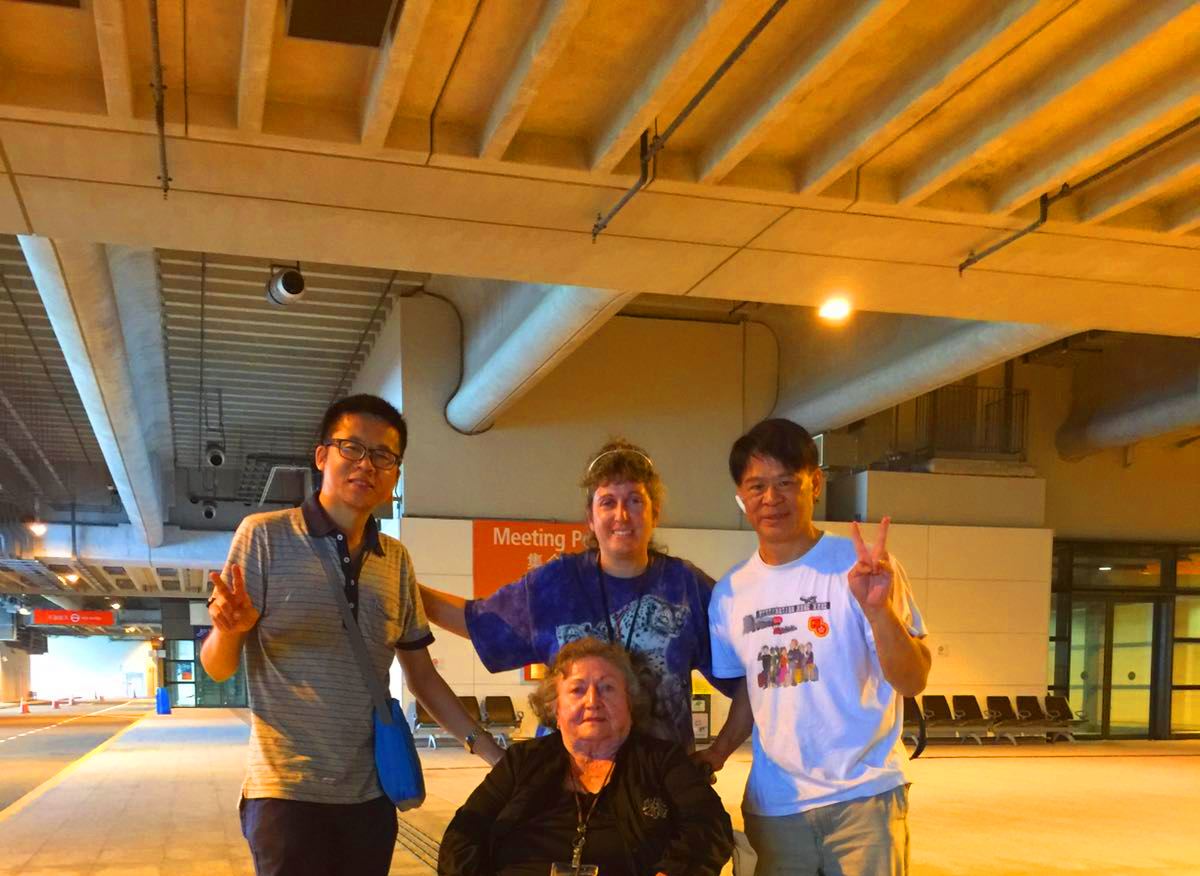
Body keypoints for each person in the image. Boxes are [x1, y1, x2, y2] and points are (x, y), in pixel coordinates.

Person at [200, 393, 505, 876]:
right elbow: (217, 667)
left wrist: (490, 751)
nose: (367, 464)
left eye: (384, 455)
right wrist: (229, 632)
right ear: (322, 456)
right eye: (352, 448)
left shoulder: (396, 561)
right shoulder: (263, 537)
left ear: (396, 475)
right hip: (286, 792)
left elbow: (422, 677)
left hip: (370, 793)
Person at [696, 418, 930, 876]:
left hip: (864, 797)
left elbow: (912, 679)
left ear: (815, 484)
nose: (771, 498)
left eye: (786, 482)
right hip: (776, 806)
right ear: (741, 498)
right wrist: (719, 751)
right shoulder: (730, 593)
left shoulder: (862, 567)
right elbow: (753, 688)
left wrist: (879, 611)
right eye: (757, 485)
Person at [420, 439, 735, 749]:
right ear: (590, 518)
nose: (621, 515)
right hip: (569, 785)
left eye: (635, 501)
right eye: (608, 502)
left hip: (661, 783)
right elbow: (474, 621)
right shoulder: (556, 583)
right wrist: (400, 584)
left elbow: (750, 676)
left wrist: (718, 754)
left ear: (655, 513)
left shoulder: (686, 587)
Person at [438, 637, 734, 876]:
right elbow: (462, 835)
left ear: (629, 700)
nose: (593, 701)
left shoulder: (662, 760)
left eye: (607, 688)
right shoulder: (523, 760)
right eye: (577, 690)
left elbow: (710, 826)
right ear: (555, 706)